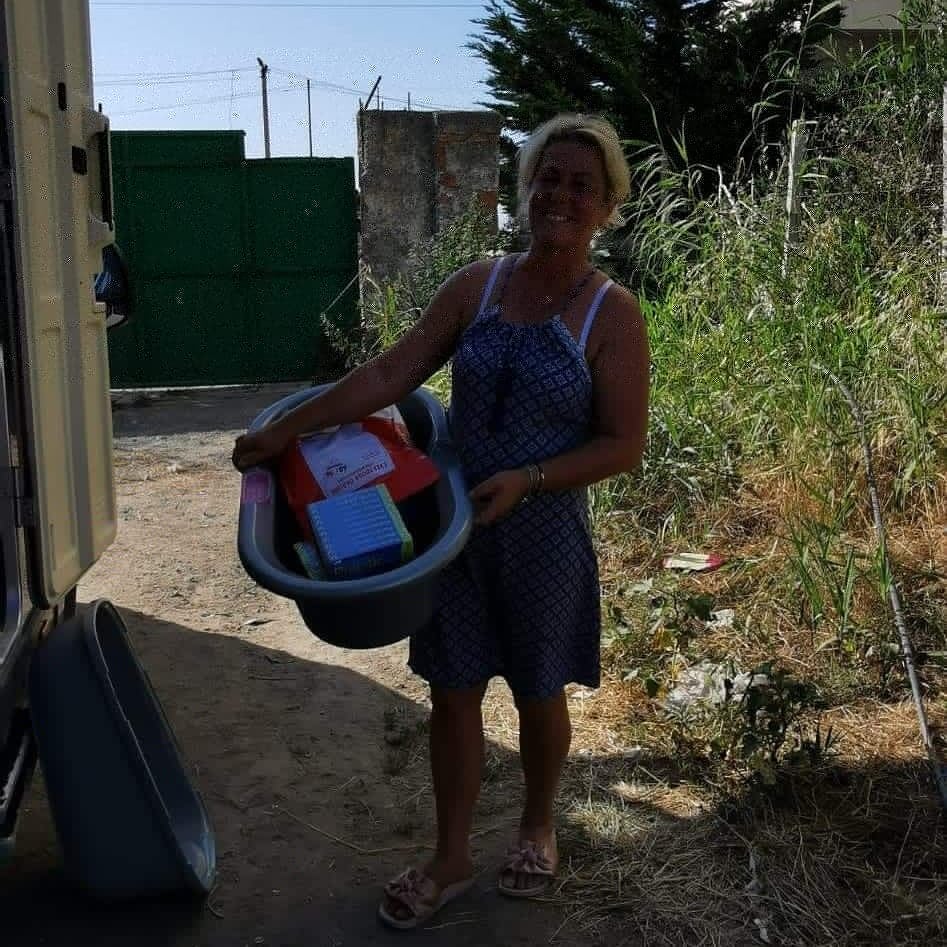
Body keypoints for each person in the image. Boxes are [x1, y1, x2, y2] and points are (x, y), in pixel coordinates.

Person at [232, 113, 650, 929]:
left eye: (581, 186)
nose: (560, 196)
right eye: (548, 178)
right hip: (452, 525)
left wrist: (530, 478)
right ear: (524, 188)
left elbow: (621, 444)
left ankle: (536, 827)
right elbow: (390, 373)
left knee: (537, 689)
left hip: (542, 532)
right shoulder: (478, 286)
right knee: (452, 690)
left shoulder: (611, 313)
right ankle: (450, 855)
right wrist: (288, 427)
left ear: (606, 206)